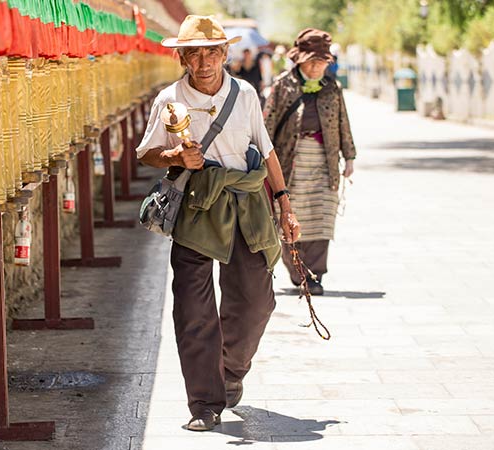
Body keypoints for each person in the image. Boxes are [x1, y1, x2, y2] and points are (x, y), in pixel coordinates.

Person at [136, 15, 301, 432]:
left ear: (225, 53)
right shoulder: (169, 98)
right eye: (194, 53)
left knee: (256, 301)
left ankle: (230, 371)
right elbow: (147, 152)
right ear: (183, 57)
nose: (204, 61)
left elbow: (266, 151)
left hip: (245, 202)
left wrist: (284, 204)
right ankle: (205, 403)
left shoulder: (243, 93)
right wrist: (176, 157)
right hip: (196, 205)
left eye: (212, 52)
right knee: (193, 306)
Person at [263, 28, 356, 295]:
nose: (317, 67)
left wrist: (349, 157)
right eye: (312, 61)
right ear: (299, 60)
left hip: (324, 162)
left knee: (321, 217)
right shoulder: (282, 85)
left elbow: (343, 123)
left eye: (322, 61)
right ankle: (299, 272)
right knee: (291, 215)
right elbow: (266, 124)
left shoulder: (332, 88)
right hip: (290, 163)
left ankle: (315, 274)